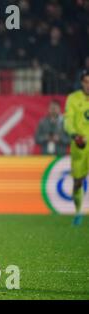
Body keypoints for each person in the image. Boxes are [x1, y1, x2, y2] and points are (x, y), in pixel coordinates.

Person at [64, 68, 89, 226]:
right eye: (86, 82)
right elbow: (68, 120)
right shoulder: (73, 98)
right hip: (80, 145)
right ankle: (79, 212)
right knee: (78, 181)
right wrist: (74, 135)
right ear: (81, 82)